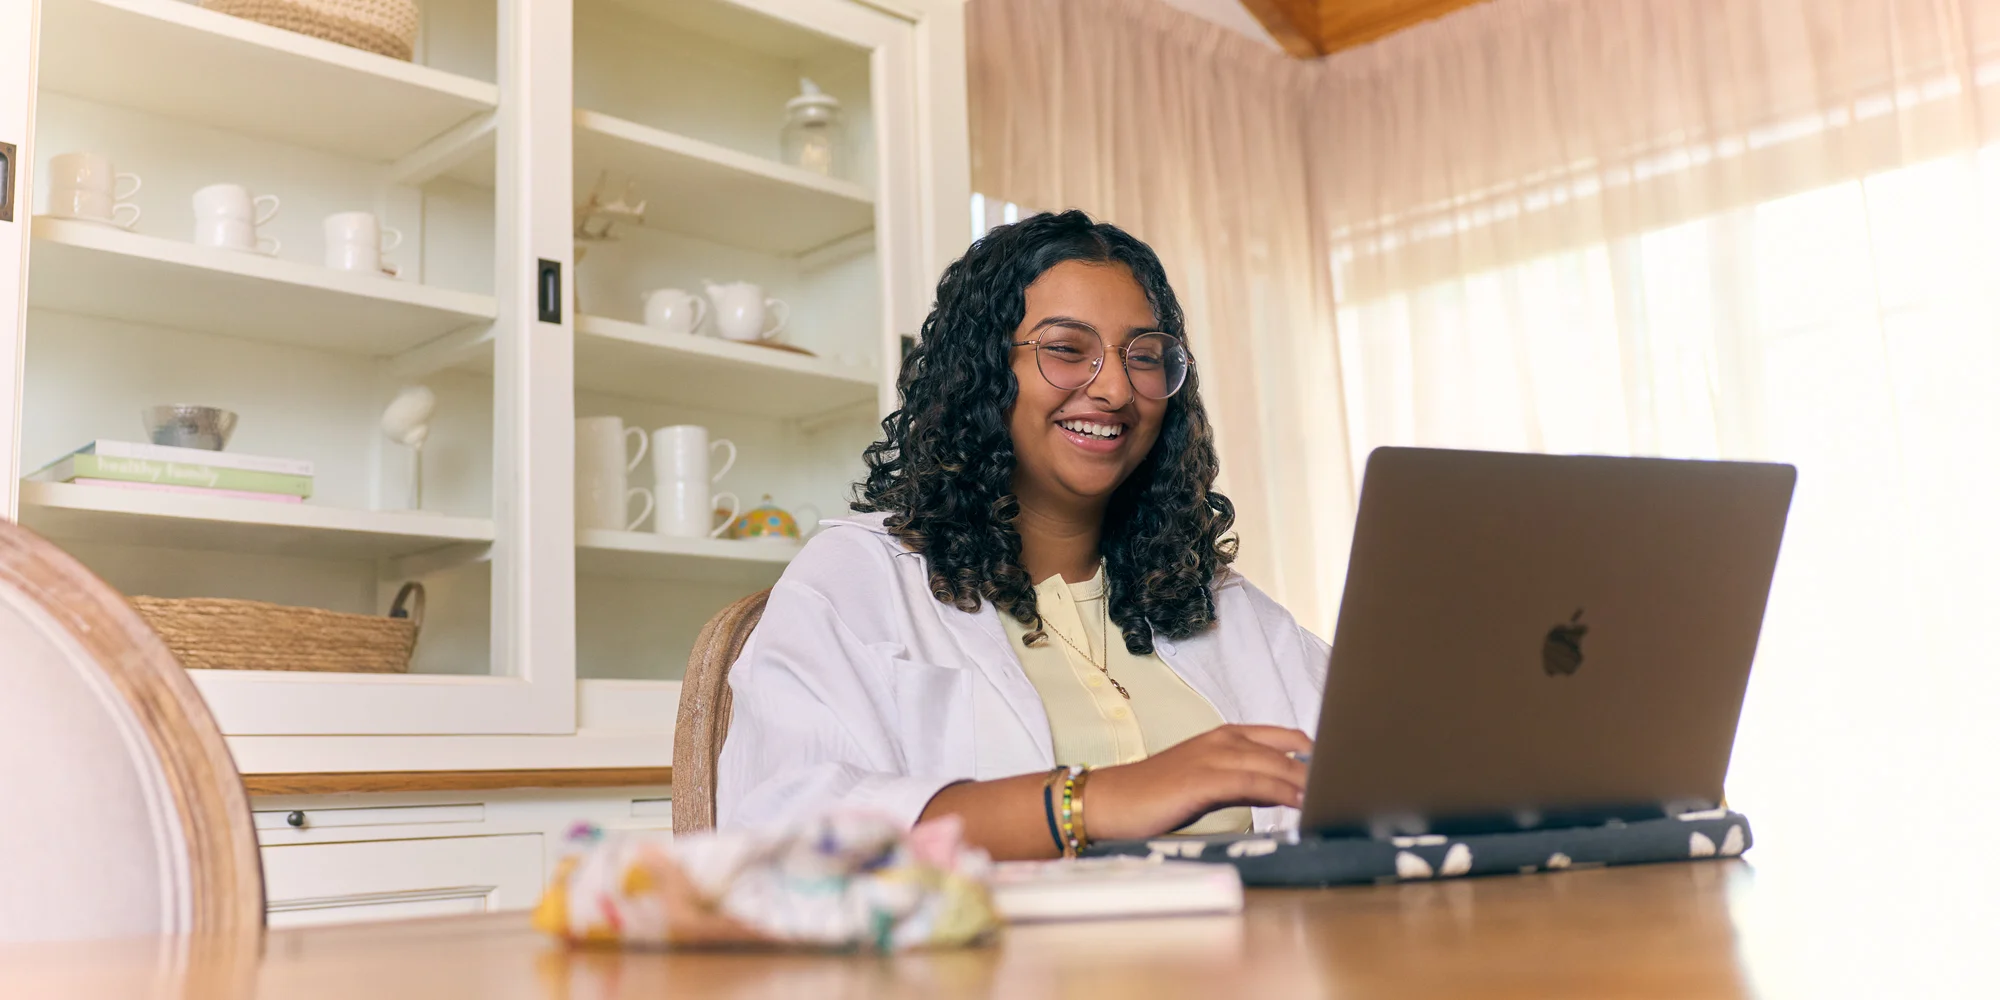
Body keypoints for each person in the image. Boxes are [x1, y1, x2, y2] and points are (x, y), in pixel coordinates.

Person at [716, 211, 1328, 860]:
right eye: (1067, 349)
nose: (1117, 389)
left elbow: (1380, 766)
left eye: (1144, 357)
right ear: (981, 371)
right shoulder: (858, 578)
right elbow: (779, 830)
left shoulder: (1226, 607)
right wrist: (1090, 802)